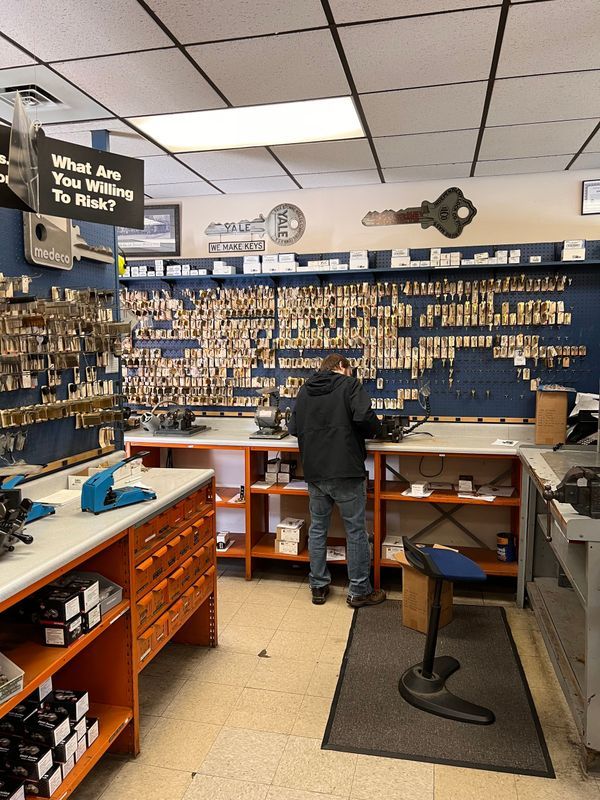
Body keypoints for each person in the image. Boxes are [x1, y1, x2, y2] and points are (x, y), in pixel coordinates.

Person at [288, 354, 386, 607]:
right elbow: (364, 418)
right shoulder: (350, 385)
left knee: (318, 529)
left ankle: (318, 586)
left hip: (315, 471)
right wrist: (379, 430)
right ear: (342, 367)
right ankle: (359, 591)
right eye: (350, 369)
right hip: (346, 470)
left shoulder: (305, 390)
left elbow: (293, 428)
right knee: (355, 531)